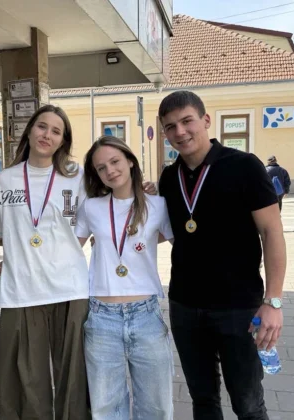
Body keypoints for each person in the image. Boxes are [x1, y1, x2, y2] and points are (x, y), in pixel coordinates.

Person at [157, 91, 286, 419]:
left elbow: (272, 233)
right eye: (170, 126)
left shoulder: (244, 166)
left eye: (187, 121)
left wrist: (273, 302)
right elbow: (169, 230)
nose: (180, 131)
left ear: (205, 120)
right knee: (203, 401)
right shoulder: (169, 177)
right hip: (185, 305)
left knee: (248, 404)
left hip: (238, 307)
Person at [0, 105, 91, 419]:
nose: (47, 135)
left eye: (56, 131)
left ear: (63, 140)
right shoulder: (6, 179)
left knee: (75, 381)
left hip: (70, 289)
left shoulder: (76, 176)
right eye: (42, 126)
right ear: (29, 130)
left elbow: (88, 225)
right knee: (26, 383)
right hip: (21, 292)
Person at [75, 136, 174, 419]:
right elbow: (69, 250)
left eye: (115, 161)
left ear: (130, 161)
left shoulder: (158, 205)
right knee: (106, 408)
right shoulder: (91, 207)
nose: (110, 170)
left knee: (157, 407)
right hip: (102, 318)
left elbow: (182, 244)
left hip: (146, 315)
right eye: (101, 168)